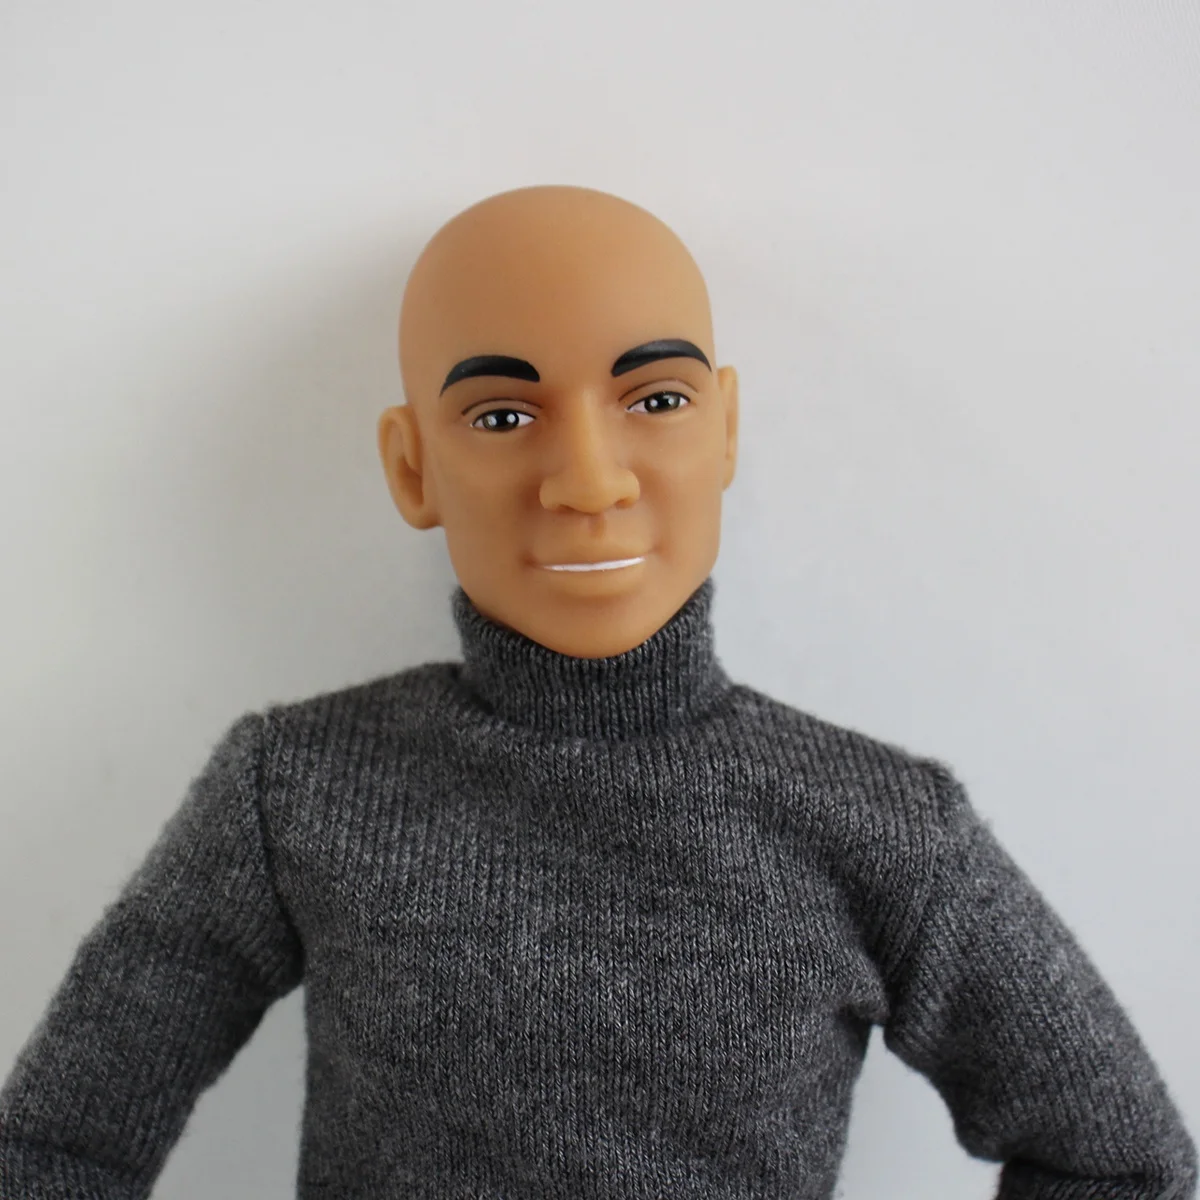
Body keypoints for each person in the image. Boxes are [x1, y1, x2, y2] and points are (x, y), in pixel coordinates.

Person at [1, 185, 1194, 1198]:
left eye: (656, 399)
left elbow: (1120, 1163)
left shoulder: (876, 826)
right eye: (502, 414)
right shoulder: (300, 791)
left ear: (725, 430)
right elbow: (56, 1149)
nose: (586, 479)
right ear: (413, 468)